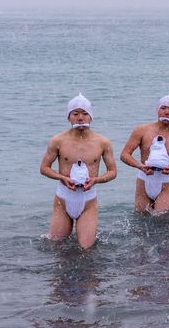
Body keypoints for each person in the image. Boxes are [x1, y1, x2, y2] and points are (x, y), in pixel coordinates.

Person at [40, 93, 117, 249]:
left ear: (91, 117)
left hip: (88, 201)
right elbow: (44, 168)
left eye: (84, 114)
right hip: (63, 198)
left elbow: (112, 171)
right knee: (56, 247)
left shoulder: (102, 142)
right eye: (75, 114)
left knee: (86, 250)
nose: (80, 118)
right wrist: (62, 177)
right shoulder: (58, 140)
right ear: (69, 117)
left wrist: (96, 180)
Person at [120, 95, 169, 213]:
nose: (166, 112)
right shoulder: (142, 130)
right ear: (157, 110)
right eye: (163, 108)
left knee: (162, 220)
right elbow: (124, 155)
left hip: (166, 182)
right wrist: (141, 166)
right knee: (140, 218)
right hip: (144, 179)